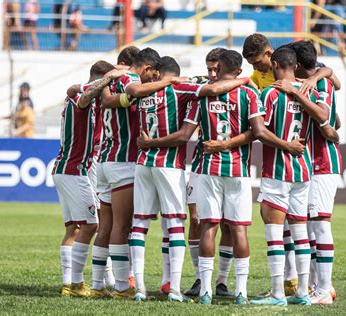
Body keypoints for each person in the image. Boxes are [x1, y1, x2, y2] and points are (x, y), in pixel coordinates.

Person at [137, 50, 301, 305]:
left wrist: (219, 144)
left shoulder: (201, 95)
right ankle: (241, 292)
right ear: (238, 70)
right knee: (238, 229)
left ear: (220, 67)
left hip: (206, 169)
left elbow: (186, 133)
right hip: (237, 170)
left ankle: (205, 291)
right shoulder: (249, 93)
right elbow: (256, 132)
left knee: (208, 226)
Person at [129, 55, 250, 302]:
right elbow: (213, 88)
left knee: (140, 225)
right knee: (175, 226)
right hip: (169, 164)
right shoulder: (179, 88)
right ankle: (174, 288)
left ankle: (139, 287)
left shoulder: (140, 92)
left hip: (143, 163)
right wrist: (245, 78)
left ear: (156, 72)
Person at [98, 47, 190, 299]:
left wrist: (108, 77)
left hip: (118, 160)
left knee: (124, 225)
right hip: (139, 162)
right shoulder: (139, 83)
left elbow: (105, 98)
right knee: (161, 224)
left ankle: (114, 284)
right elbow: (135, 91)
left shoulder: (116, 81)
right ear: (149, 69)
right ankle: (158, 287)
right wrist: (170, 81)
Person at [248, 47, 333, 307]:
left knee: (274, 231)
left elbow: (260, 131)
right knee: (300, 232)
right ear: (296, 66)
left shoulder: (271, 93)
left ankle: (277, 294)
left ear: (274, 64)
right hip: (304, 169)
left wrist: (284, 144)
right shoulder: (311, 90)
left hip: (278, 170)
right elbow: (324, 117)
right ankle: (302, 294)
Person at [52, 60, 122, 297]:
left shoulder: (88, 99)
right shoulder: (80, 97)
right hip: (74, 170)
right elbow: (82, 96)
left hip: (69, 169)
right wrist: (108, 79)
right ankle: (76, 284)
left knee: (74, 228)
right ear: (99, 80)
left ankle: (68, 284)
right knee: (93, 224)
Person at [286, 40, 342, 305]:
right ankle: (320, 285)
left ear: (296, 65)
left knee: (320, 223)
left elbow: (325, 119)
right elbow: (335, 119)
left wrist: (327, 124)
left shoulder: (320, 84)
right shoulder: (318, 79)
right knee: (307, 226)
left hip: (323, 161)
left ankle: (323, 290)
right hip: (311, 161)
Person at [184, 47, 235, 298]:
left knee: (227, 224)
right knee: (196, 220)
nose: (213, 73)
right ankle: (198, 277)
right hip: (201, 165)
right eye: (209, 69)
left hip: (231, 165)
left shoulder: (241, 91)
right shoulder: (202, 87)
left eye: (217, 68)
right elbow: (184, 81)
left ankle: (222, 281)